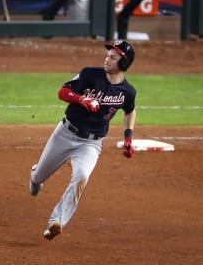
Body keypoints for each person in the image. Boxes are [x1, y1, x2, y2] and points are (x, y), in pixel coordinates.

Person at [29, 40, 137, 241]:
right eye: (108, 55)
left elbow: (130, 111)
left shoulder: (127, 92)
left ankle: (57, 221)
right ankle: (35, 176)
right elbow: (62, 91)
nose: (107, 59)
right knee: (38, 179)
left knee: (81, 177)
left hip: (91, 144)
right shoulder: (89, 74)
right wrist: (80, 99)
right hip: (65, 133)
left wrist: (128, 137)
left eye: (113, 57)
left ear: (124, 63)